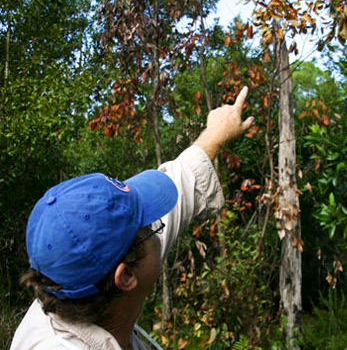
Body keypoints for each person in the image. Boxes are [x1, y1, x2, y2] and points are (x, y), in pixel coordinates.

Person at [11, 87, 254, 350]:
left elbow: (182, 183)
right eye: (150, 225)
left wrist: (214, 135)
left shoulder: (66, 288)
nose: (159, 224)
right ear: (125, 276)